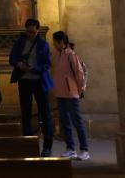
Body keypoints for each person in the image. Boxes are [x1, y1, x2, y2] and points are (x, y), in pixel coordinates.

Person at [9, 18, 54, 156]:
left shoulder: (43, 44)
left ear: (37, 31)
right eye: (28, 32)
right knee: (26, 112)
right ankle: (28, 145)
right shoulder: (20, 42)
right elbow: (12, 58)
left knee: (45, 113)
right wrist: (19, 65)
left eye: (33, 32)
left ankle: (47, 147)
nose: (30, 34)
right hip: (24, 81)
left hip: (39, 81)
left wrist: (34, 69)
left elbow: (47, 64)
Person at [52, 31, 90, 161]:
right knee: (65, 122)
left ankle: (84, 150)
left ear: (61, 42)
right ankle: (70, 149)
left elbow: (79, 73)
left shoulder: (71, 55)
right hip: (60, 93)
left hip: (71, 93)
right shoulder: (58, 54)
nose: (53, 44)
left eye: (55, 42)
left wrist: (81, 89)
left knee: (77, 121)